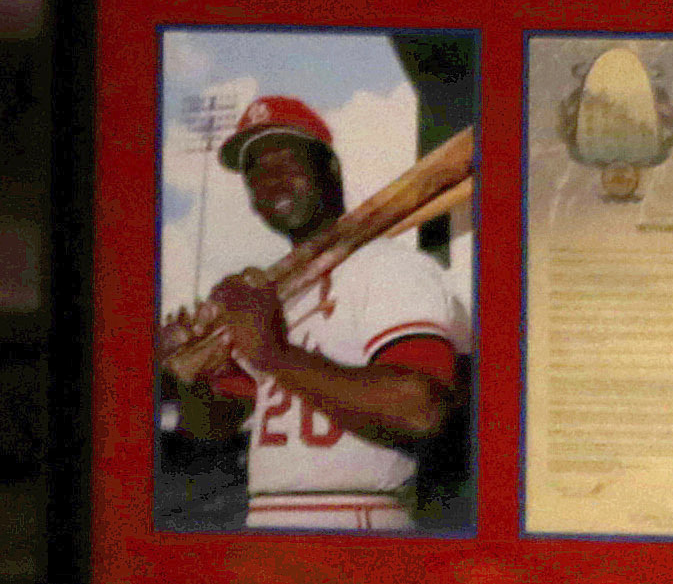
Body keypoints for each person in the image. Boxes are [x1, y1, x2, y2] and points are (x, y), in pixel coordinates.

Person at [160, 93, 463, 535]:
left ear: (330, 168)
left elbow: (421, 411)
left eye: (286, 161)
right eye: (256, 172)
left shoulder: (392, 267)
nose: (271, 181)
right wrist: (191, 371)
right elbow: (211, 429)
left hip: (360, 523)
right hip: (265, 520)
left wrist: (274, 354)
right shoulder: (270, 293)